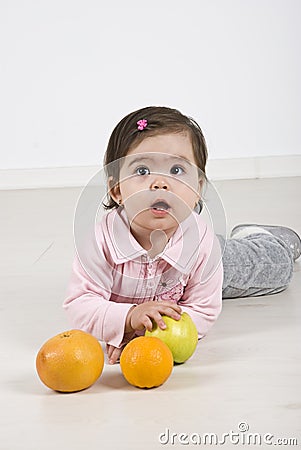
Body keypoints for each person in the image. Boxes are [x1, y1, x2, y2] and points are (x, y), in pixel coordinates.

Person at [63, 106, 301, 364]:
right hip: (165, 277)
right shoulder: (101, 242)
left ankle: (260, 236)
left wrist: (147, 336)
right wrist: (127, 319)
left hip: (202, 267)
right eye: (142, 170)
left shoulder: (201, 243)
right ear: (116, 189)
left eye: (177, 170)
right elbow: (80, 306)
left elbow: (203, 309)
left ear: (198, 188)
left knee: (272, 266)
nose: (160, 183)